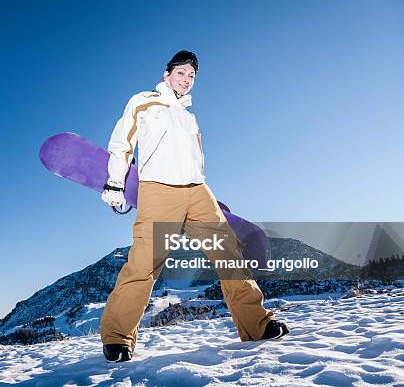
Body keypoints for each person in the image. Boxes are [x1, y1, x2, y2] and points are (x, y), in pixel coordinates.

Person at [99, 50, 289, 363]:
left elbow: (194, 161)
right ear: (166, 73)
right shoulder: (143, 101)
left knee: (228, 253)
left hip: (198, 192)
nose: (186, 80)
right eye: (181, 73)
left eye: (191, 77)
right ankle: (117, 337)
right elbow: (122, 143)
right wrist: (115, 183)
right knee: (144, 264)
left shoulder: (189, 117)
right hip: (159, 191)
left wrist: (209, 197)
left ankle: (257, 324)